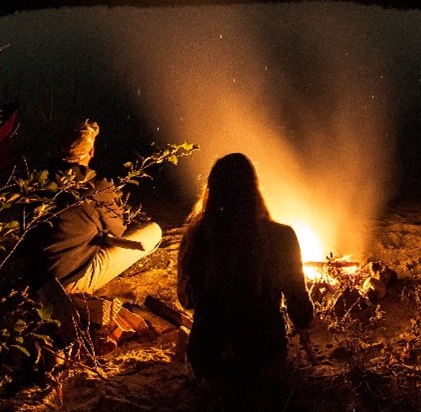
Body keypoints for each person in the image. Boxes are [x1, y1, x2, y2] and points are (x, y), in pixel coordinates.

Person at [19, 119, 162, 343]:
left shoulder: (37, 181)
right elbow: (119, 229)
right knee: (154, 231)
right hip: (66, 280)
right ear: (92, 151)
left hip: (35, 274)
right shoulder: (96, 186)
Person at [176, 152, 314, 384]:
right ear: (253, 189)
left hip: (208, 359)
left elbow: (186, 301)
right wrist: (303, 327)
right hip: (263, 358)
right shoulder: (282, 236)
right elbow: (299, 306)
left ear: (212, 190)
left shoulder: (196, 236)